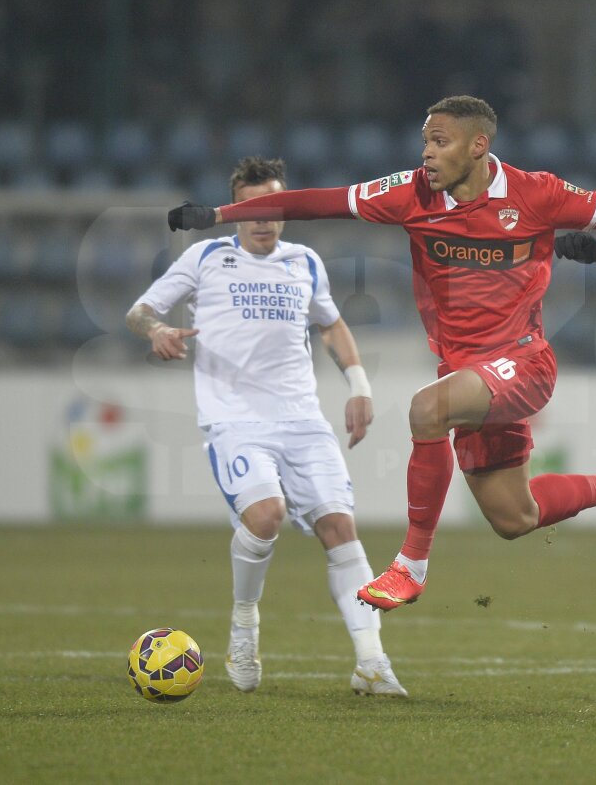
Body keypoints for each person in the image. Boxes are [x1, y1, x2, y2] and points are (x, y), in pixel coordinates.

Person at [168, 96, 596, 613]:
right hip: (468, 375)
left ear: (478, 146)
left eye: (439, 141)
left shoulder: (537, 193)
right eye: (425, 140)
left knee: (427, 409)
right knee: (514, 518)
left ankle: (410, 567)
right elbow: (316, 202)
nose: (426, 153)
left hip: (525, 362)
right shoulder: (411, 193)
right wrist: (221, 214)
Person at [128, 156, 406, 696]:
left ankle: (373, 663)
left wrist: (360, 387)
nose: (263, 219)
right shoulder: (205, 257)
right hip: (235, 422)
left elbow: (331, 325)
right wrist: (156, 330)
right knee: (267, 513)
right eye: (252, 209)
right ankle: (244, 627)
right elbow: (140, 311)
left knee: (340, 529)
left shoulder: (304, 262)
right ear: (236, 212)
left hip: (303, 420)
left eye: (273, 208)